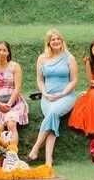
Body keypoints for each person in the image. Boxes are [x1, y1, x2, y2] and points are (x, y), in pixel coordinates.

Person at [28, 30, 77, 166]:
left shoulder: (69, 58)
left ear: (62, 41)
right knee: (52, 117)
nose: (56, 41)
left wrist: (62, 94)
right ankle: (49, 160)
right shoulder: (42, 58)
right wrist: (45, 93)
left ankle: (36, 147)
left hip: (66, 95)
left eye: (58, 39)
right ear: (48, 43)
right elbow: (40, 80)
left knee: (54, 112)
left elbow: (74, 81)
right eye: (52, 39)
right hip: (48, 96)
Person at [0, 41, 29, 147]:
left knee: (11, 124)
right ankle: (0, 154)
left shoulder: (15, 66)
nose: (1, 52)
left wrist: (9, 103)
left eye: (4, 50)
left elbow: (17, 87)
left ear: (8, 53)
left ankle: (13, 153)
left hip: (13, 99)